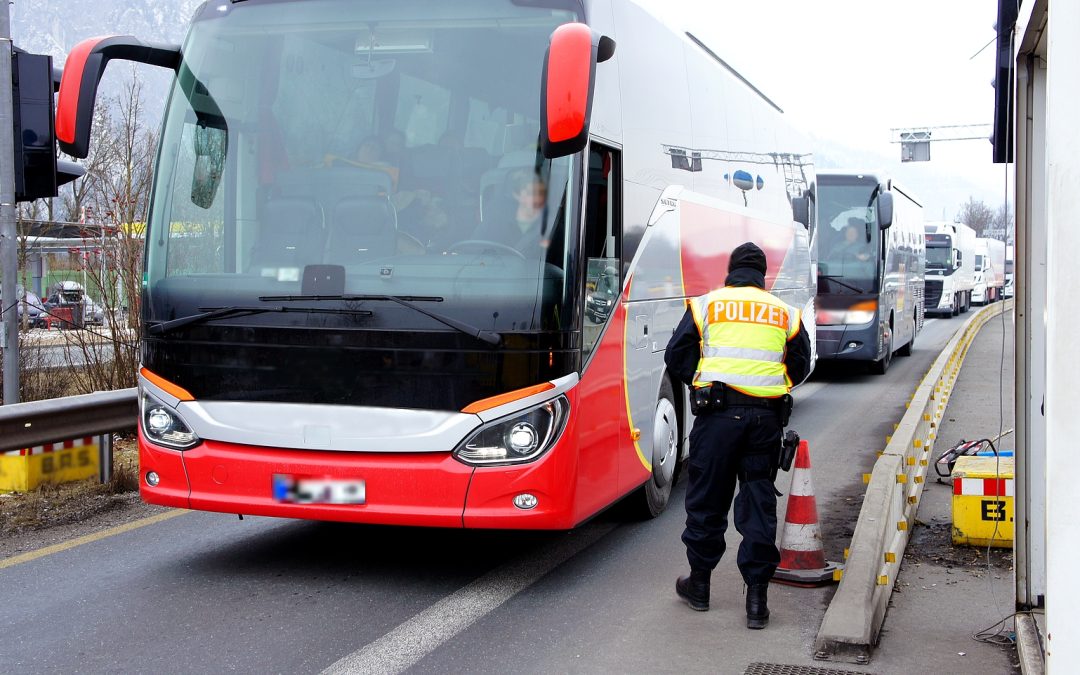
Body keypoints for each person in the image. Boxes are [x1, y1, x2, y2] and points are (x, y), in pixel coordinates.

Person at [663, 242, 812, 629]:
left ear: (730, 271)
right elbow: (800, 364)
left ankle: (699, 586)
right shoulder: (785, 312)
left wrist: (703, 383)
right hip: (764, 421)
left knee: (707, 499)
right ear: (762, 275)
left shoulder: (707, 305)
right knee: (758, 500)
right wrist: (770, 387)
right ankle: (757, 601)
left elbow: (676, 355)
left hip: (716, 417)